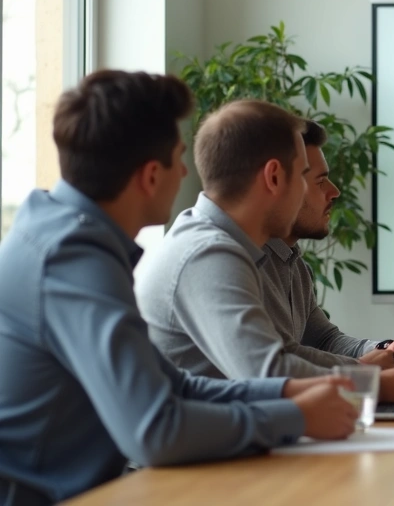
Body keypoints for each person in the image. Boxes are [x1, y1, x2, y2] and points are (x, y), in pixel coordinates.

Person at [0, 72, 356, 505]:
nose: (188, 171)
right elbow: (154, 430)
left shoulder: (64, 236)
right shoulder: (72, 260)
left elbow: (174, 385)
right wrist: (294, 416)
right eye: (178, 157)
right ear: (151, 176)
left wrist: (284, 393)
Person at [135, 101, 394, 403]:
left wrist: (376, 357)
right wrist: (371, 382)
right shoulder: (208, 255)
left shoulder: (239, 247)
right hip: (214, 444)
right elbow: (268, 370)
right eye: (304, 174)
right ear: (274, 177)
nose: (333, 191)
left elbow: (312, 342)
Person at [258, 121, 394, 369]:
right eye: (321, 181)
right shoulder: (240, 261)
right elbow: (276, 365)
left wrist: (381, 349)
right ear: (276, 182)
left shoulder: (294, 264)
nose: (335, 192)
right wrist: (365, 374)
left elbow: (324, 339)